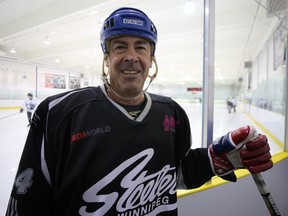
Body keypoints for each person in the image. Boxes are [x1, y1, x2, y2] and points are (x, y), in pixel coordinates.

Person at [6, 7, 273, 216]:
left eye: (141, 47)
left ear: (151, 60)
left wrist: (215, 161)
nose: (131, 56)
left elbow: (174, 174)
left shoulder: (172, 113)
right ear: (107, 57)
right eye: (120, 46)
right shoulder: (60, 114)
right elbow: (28, 202)